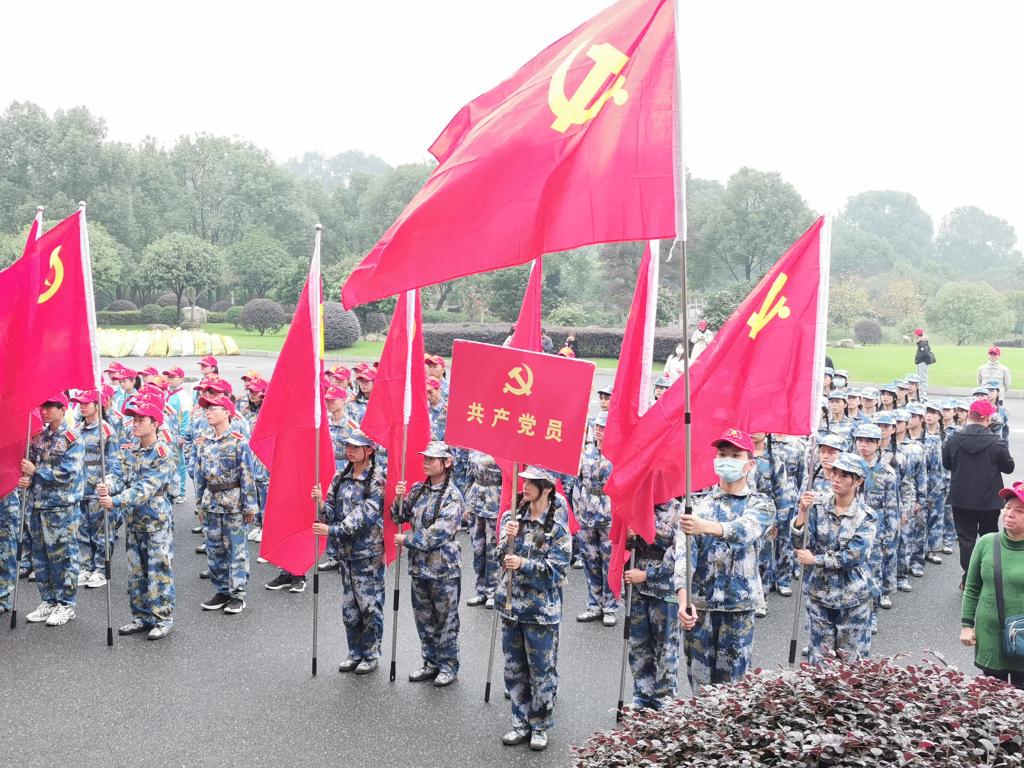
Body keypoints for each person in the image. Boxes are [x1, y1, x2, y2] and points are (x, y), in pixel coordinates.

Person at [676, 428, 776, 690]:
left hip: (738, 607)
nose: (727, 460)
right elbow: (684, 556)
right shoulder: (696, 504)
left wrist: (705, 526)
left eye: (735, 455)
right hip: (701, 607)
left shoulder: (760, 504)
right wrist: (684, 602)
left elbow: (745, 530)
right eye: (722, 455)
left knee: (734, 690)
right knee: (700, 687)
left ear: (749, 464)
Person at [495, 466, 572, 752]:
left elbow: (557, 571)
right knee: (514, 669)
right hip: (511, 606)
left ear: (547, 488)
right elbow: (499, 557)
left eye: (532, 482)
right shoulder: (512, 518)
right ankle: (520, 722)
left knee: (541, 671)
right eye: (524, 480)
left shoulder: (557, 529)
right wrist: (508, 539)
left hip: (540, 613)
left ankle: (539, 725)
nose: (524, 486)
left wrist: (524, 564)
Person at [97, 399, 177, 640]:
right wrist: (107, 485)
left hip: (155, 521)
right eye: (133, 419)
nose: (135, 424)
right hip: (134, 521)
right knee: (136, 571)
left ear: (154, 424)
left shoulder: (162, 453)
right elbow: (118, 475)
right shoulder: (130, 450)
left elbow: (146, 489)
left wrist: (115, 501)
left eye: (141, 420)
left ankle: (162, 618)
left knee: (157, 570)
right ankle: (141, 616)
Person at [793, 452, 877, 663]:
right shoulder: (817, 506)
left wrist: (817, 560)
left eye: (844, 475)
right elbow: (800, 545)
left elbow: (854, 556)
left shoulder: (866, 516)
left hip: (853, 597)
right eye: (834, 473)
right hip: (820, 593)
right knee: (819, 660)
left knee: (851, 662)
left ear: (858, 481)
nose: (836, 479)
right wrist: (802, 513)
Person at [392, 441, 464, 687]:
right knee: (424, 618)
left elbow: (438, 533)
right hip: (419, 567)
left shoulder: (452, 496)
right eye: (425, 458)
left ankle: (448, 666)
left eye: (432, 459)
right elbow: (398, 515)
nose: (426, 462)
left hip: (443, 569)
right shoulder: (418, 489)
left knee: (446, 620)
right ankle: (430, 661)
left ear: (446, 462)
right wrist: (399, 498)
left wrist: (408, 539)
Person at [313, 432, 385, 674]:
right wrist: (321, 504)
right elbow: (331, 512)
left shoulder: (376, 480)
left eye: (356, 446)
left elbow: (365, 517)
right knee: (349, 607)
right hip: (346, 553)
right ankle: (354, 652)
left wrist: (333, 530)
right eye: (348, 446)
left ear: (369, 450)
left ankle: (370, 654)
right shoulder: (340, 476)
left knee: (369, 606)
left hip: (367, 554)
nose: (350, 450)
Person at [19, 394, 85, 627]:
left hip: (61, 508)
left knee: (63, 557)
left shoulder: (72, 438)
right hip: (38, 505)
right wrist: (27, 478)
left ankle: (66, 604)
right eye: (43, 406)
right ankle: (48, 600)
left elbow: (68, 473)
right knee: (41, 557)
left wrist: (36, 472)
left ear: (62, 409)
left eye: (49, 407)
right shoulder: (40, 436)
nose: (44, 411)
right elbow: (30, 466)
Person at [193, 394, 258, 615]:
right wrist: (199, 504)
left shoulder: (239, 441)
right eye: (207, 409)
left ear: (227, 412)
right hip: (211, 503)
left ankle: (238, 594)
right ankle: (222, 590)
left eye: (214, 408)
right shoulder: (204, 442)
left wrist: (250, 506)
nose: (208, 412)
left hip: (233, 504)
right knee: (214, 549)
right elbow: (199, 476)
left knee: (236, 550)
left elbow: (247, 475)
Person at [943, 400, 1015, 584]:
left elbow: (946, 464)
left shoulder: (953, 439)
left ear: (969, 415)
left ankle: (969, 577)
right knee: (989, 537)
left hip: (961, 498)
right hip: (989, 499)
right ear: (988, 418)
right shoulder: (997, 442)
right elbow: (1009, 468)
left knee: (966, 540)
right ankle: (988, 575)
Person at [960, 481, 1024, 689]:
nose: (1010, 514)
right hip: (990, 637)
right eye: (1007, 507)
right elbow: (972, 587)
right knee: (992, 698)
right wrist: (966, 625)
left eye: (1019, 511)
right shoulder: (986, 542)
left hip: (1022, 638)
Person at [623, 496, 680, 709]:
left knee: (666, 647)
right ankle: (642, 694)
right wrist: (628, 537)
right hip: (637, 588)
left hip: (665, 589)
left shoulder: (677, 510)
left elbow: (678, 555)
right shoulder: (636, 506)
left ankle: (664, 699)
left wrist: (647, 574)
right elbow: (620, 547)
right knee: (639, 644)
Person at [571, 411, 618, 627]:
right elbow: (577, 482)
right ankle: (594, 604)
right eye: (597, 427)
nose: (599, 431)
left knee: (609, 562)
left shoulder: (617, 453)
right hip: (587, 513)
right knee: (590, 560)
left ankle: (610, 606)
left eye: (603, 427)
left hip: (609, 514)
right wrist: (576, 510)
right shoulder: (585, 452)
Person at [73, 390, 123, 590]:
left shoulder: (106, 431)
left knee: (102, 533)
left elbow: (115, 465)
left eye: (86, 403)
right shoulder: (76, 430)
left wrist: (108, 486)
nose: (82, 407)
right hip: (80, 490)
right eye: (80, 404)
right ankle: (86, 566)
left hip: (98, 491)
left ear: (97, 405)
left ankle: (102, 569)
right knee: (82, 532)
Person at [465, 450, 502, 608]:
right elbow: (468, 477)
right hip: (476, 500)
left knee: (493, 549)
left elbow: (510, 477)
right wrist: (466, 504)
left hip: (496, 500)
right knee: (477, 548)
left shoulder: (505, 446)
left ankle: (493, 591)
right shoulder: (474, 447)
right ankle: (480, 590)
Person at [162, 366, 191, 503]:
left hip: (176, 435)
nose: (169, 380)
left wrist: (182, 435)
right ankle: (171, 489)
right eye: (168, 377)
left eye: (172, 377)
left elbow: (186, 417)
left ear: (181, 379)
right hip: (166, 434)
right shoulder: (168, 393)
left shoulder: (183, 396)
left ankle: (181, 492)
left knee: (179, 463)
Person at [913, 329, 935, 396]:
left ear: (917, 334)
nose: (914, 335)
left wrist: (918, 358)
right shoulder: (921, 341)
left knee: (923, 378)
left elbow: (924, 353)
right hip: (921, 362)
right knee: (920, 378)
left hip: (922, 362)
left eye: (915, 334)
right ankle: (920, 393)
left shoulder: (923, 342)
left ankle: (923, 394)